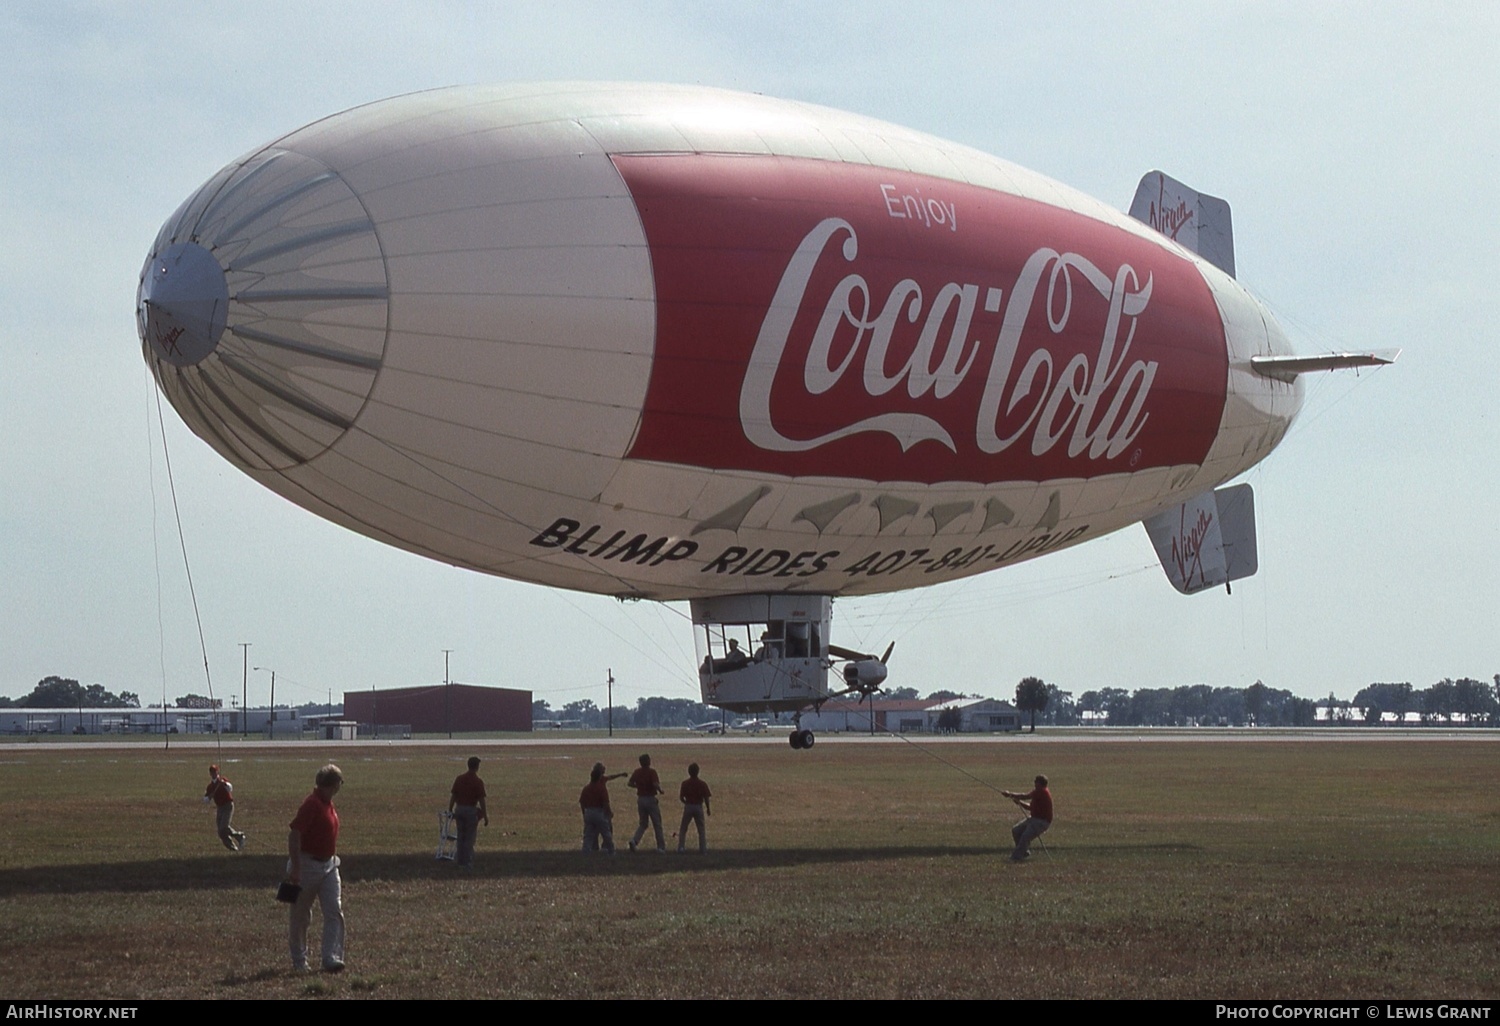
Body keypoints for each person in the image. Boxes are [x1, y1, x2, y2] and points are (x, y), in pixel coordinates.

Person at [286, 764, 345, 972]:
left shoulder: (328, 803)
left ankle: (331, 956)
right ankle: (299, 960)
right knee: (301, 915)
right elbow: (294, 834)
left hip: (329, 865)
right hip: (307, 865)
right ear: (332, 784)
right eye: (339, 784)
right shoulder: (311, 804)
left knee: (333, 910)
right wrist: (296, 868)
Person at [448, 756, 489, 868]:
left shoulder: (459, 779)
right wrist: (485, 816)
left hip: (459, 809)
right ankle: (467, 861)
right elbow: (481, 801)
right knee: (469, 838)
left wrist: (450, 809)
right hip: (471, 810)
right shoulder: (478, 781)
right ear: (477, 767)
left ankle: (460, 860)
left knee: (461, 836)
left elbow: (454, 796)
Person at [1001, 775, 1053, 862]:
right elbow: (1030, 807)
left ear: (1040, 783)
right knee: (1016, 831)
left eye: (1036, 782)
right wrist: (1019, 803)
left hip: (1042, 822)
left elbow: (1025, 796)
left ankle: (1016, 857)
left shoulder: (1042, 792)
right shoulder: (1038, 792)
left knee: (1025, 836)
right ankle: (1024, 851)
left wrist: (1009, 794)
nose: (1034, 783)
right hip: (1034, 819)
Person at [579, 763, 626, 854]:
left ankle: (586, 851)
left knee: (588, 833)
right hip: (599, 812)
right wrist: (609, 812)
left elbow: (582, 802)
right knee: (606, 832)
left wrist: (584, 813)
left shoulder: (586, 788)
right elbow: (605, 803)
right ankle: (610, 851)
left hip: (588, 812)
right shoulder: (601, 788)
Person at [627, 753, 666, 853]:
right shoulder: (652, 772)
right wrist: (660, 790)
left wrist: (638, 786)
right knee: (657, 823)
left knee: (643, 823)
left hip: (641, 799)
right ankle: (660, 846)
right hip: (650, 798)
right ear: (648, 761)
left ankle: (634, 840)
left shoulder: (637, 772)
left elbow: (630, 783)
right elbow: (655, 784)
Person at [203, 764, 245, 851]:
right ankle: (233, 848)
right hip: (220, 808)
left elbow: (230, 788)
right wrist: (210, 796)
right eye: (212, 772)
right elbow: (205, 800)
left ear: (217, 772)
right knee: (221, 832)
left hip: (227, 806)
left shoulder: (222, 781)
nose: (214, 773)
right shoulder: (210, 787)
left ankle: (239, 836)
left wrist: (225, 784)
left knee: (223, 827)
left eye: (215, 771)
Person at [677, 762, 712, 853]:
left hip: (688, 805)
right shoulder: (702, 784)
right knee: (701, 829)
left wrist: (686, 803)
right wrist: (708, 808)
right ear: (698, 772)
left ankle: (681, 847)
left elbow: (681, 797)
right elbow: (706, 797)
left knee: (683, 828)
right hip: (698, 806)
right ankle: (703, 849)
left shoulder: (685, 783)